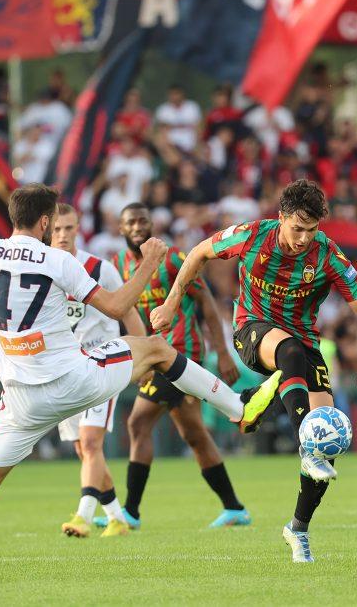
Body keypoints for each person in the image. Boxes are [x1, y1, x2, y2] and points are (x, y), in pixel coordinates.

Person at [0, 129, 280, 581]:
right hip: (73, 378)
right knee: (158, 349)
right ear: (46, 223)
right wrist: (149, 260)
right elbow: (118, 307)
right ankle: (240, 409)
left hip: (19, 398)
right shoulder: (59, 261)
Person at [150, 179, 357, 563]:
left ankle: (298, 527)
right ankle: (303, 444)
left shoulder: (328, 255)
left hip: (305, 345)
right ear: (281, 219)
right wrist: (173, 303)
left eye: (312, 230)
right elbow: (197, 254)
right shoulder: (251, 235)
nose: (304, 238)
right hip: (252, 332)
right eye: (297, 228)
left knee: (328, 441)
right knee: (291, 358)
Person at [107, 203, 250, 530]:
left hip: (182, 354)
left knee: (138, 423)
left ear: (153, 222)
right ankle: (234, 507)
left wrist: (223, 353)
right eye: (131, 222)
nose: (138, 226)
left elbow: (207, 305)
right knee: (194, 435)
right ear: (120, 228)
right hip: (151, 357)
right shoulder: (117, 266)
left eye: (144, 220)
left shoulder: (173, 260)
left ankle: (130, 512)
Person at [51, 204, 145, 539]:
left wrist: (143, 355)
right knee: (84, 450)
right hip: (63, 369)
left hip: (100, 364)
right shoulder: (44, 270)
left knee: (91, 442)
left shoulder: (99, 268)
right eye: (57, 229)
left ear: (79, 229)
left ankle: (83, 516)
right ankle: (117, 518)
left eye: (69, 228)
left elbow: (129, 315)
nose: (63, 235)